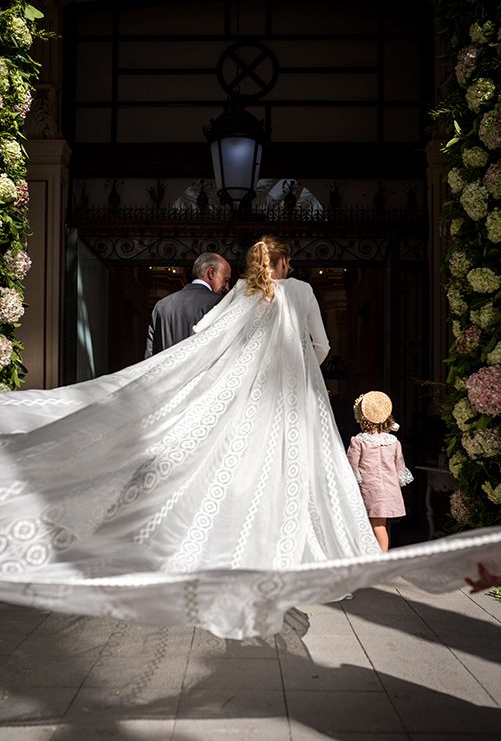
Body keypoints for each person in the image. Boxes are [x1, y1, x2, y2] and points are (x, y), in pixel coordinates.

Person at [0, 235, 500, 640]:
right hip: (296, 401)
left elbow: (206, 338)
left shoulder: (240, 291)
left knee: (240, 468)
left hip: (249, 402)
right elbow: (322, 345)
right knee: (301, 469)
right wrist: (303, 366)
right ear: (284, 262)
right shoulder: (302, 291)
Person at [347, 391, 413, 552]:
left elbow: (350, 466)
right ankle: (375, 554)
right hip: (389, 490)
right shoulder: (393, 441)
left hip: (370, 490)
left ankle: (381, 558)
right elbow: (400, 467)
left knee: (376, 526)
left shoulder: (359, 441)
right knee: (379, 525)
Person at [144, 252, 232, 357]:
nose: (227, 287)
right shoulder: (220, 304)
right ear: (211, 272)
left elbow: (150, 356)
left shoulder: (161, 306)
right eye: (226, 280)